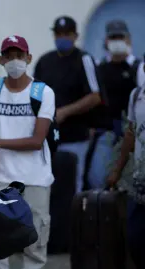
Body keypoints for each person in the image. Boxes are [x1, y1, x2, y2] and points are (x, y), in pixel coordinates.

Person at [0, 35, 55, 269]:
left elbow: (36, 141)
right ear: (1, 59)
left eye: (19, 56)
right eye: (9, 56)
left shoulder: (43, 92)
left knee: (34, 245)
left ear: (29, 58)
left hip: (36, 179)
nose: (15, 61)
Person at [34, 15, 101, 193]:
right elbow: (34, 95)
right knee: (46, 185)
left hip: (75, 137)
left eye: (67, 34)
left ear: (75, 36)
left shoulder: (84, 59)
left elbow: (95, 96)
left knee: (73, 185)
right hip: (48, 138)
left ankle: (73, 220)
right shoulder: (44, 61)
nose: (62, 38)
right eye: (59, 34)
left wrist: (65, 112)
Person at [86, 20, 142, 189]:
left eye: (120, 37)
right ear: (106, 41)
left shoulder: (138, 68)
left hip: (133, 132)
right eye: (113, 37)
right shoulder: (99, 67)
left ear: (128, 40)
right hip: (107, 132)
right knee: (96, 177)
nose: (117, 41)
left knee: (133, 180)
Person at [108, 69, 145, 268]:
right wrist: (117, 169)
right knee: (135, 238)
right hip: (140, 182)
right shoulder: (137, 95)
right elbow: (130, 134)